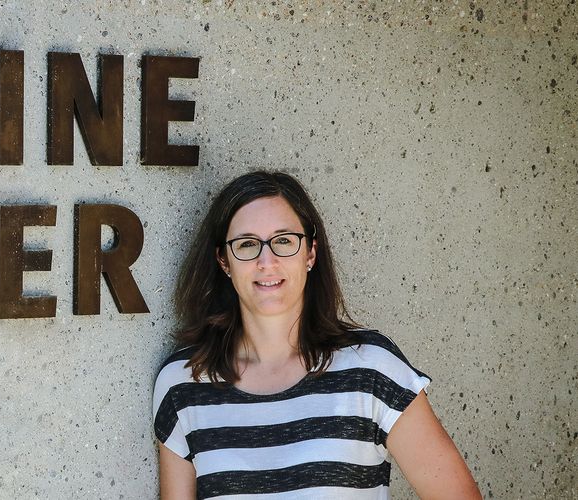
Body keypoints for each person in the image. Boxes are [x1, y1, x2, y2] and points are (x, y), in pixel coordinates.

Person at [152, 171, 481, 499]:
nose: (267, 261)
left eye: (284, 241)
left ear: (310, 252)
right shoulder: (184, 383)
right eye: (247, 244)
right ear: (224, 261)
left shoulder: (371, 371)